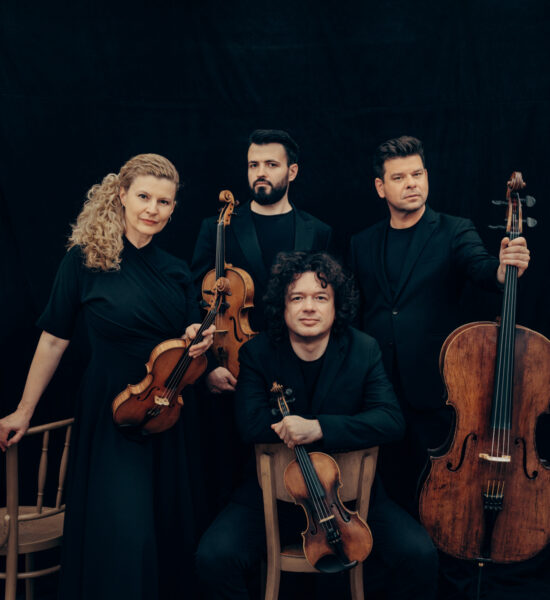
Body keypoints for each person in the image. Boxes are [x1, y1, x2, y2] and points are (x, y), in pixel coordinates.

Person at [0, 154, 215, 600]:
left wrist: (199, 337)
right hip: (110, 412)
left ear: (173, 208)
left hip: (167, 412)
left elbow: (189, 338)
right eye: (144, 197)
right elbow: (53, 340)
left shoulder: (177, 270)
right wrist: (24, 410)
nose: (152, 209)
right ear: (121, 195)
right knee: (124, 532)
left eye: (163, 201)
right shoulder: (83, 261)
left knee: (165, 528)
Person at [196, 251, 439, 600]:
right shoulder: (258, 353)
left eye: (320, 297)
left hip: (352, 501)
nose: (309, 307)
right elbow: (249, 425)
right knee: (214, 557)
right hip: (271, 501)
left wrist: (319, 428)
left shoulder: (363, 350)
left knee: (419, 555)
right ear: (282, 306)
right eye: (297, 298)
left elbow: (391, 420)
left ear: (336, 305)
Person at [348, 135, 531, 513]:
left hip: (437, 390)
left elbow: (481, 268)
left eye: (417, 174)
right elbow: (354, 311)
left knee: (439, 496)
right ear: (380, 187)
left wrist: (502, 271)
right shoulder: (362, 242)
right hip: (378, 389)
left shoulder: (454, 230)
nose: (411, 183)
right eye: (399, 177)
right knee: (384, 493)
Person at [191, 128, 332, 395]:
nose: (260, 172)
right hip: (232, 364)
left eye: (271, 164)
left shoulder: (318, 231)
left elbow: (329, 303)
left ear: (292, 172)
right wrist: (208, 366)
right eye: (253, 165)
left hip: (300, 365)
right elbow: (195, 298)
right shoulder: (217, 228)